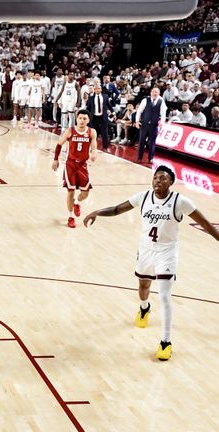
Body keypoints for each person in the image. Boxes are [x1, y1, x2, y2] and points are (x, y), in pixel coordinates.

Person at [83, 166, 219, 360]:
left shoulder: (180, 201)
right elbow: (116, 209)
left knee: (164, 295)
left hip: (167, 253)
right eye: (155, 178)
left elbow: (205, 222)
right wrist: (96, 212)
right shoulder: (143, 197)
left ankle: (165, 342)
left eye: (162, 178)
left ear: (171, 182)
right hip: (146, 250)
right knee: (143, 285)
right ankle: (144, 307)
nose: (157, 181)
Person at [52, 109, 97, 228]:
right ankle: (70, 217)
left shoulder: (92, 132)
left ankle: (77, 203)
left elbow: (94, 146)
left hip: (82, 165)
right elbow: (59, 145)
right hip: (70, 164)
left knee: (85, 192)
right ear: (76, 119)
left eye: (84, 118)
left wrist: (94, 153)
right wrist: (55, 159)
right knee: (70, 191)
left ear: (88, 120)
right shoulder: (70, 131)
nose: (82, 120)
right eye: (80, 118)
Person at [135, 87, 167, 163]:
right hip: (144, 124)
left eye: (156, 92)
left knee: (152, 142)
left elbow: (163, 114)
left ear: (159, 93)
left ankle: (151, 158)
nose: (154, 93)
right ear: (151, 92)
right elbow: (139, 111)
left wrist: (162, 122)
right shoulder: (145, 100)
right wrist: (137, 121)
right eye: (153, 92)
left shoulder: (161, 101)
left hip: (154, 125)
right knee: (141, 141)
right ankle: (139, 157)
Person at [87, 84, 111, 150]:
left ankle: (105, 147)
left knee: (105, 132)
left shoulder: (105, 96)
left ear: (101, 89)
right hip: (94, 117)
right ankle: (93, 146)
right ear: (94, 90)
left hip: (103, 117)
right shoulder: (91, 98)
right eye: (96, 89)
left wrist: (113, 112)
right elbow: (88, 108)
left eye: (99, 88)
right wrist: (88, 116)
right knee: (94, 133)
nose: (98, 90)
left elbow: (109, 105)